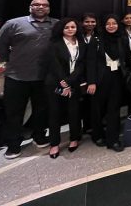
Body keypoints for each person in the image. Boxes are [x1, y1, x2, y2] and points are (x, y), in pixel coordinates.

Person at [0, 0, 57, 159]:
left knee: (41, 111)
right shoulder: (13, 24)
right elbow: (0, 47)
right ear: (30, 7)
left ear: (49, 8)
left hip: (43, 77)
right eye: (36, 4)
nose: (40, 7)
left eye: (44, 5)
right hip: (17, 77)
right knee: (14, 113)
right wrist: (14, 61)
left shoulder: (56, 24)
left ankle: (40, 137)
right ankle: (13, 145)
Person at [45, 17, 87, 158]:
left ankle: (74, 139)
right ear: (61, 29)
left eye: (73, 27)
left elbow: (81, 64)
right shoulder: (54, 43)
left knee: (74, 112)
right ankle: (54, 144)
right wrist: (63, 81)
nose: (70, 29)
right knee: (54, 113)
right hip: (56, 83)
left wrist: (70, 81)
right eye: (67, 27)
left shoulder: (81, 43)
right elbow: (53, 64)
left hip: (73, 83)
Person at [87, 15, 128, 152]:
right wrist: (91, 82)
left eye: (114, 23)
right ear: (103, 26)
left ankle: (113, 140)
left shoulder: (122, 39)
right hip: (100, 78)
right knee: (97, 109)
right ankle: (97, 135)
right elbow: (91, 63)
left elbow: (125, 58)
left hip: (117, 77)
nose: (111, 26)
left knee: (114, 109)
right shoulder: (96, 40)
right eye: (108, 24)